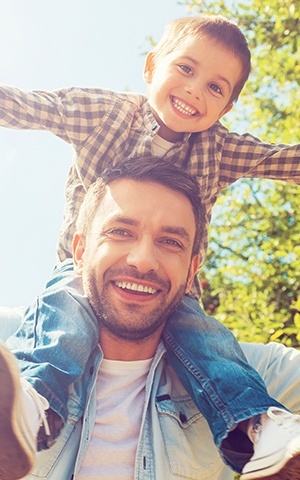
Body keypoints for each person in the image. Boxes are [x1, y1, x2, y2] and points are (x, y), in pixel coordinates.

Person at [0, 12, 299, 478]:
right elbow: (36, 107)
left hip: (174, 290)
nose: (196, 90)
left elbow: (279, 161)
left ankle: (259, 427)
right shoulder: (103, 113)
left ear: (225, 109)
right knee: (65, 316)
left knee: (204, 339)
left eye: (216, 88)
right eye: (185, 68)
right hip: (82, 274)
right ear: (150, 67)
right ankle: (32, 404)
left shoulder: (219, 149)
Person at [1, 159, 300, 480]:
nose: (143, 260)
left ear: (191, 271)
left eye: (170, 242)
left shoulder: (248, 370)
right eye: (120, 232)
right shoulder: (9, 346)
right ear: (79, 252)